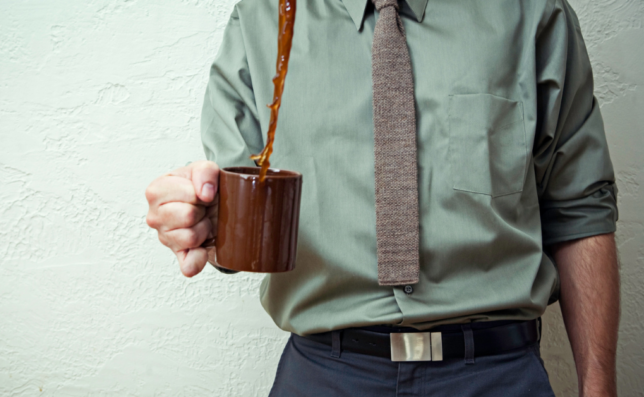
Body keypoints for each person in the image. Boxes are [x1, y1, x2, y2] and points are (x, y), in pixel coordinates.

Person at [145, 0, 620, 395]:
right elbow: (236, 207)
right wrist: (200, 220)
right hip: (325, 375)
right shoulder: (266, 16)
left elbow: (580, 209)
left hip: (495, 374)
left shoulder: (529, 11)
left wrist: (598, 389)